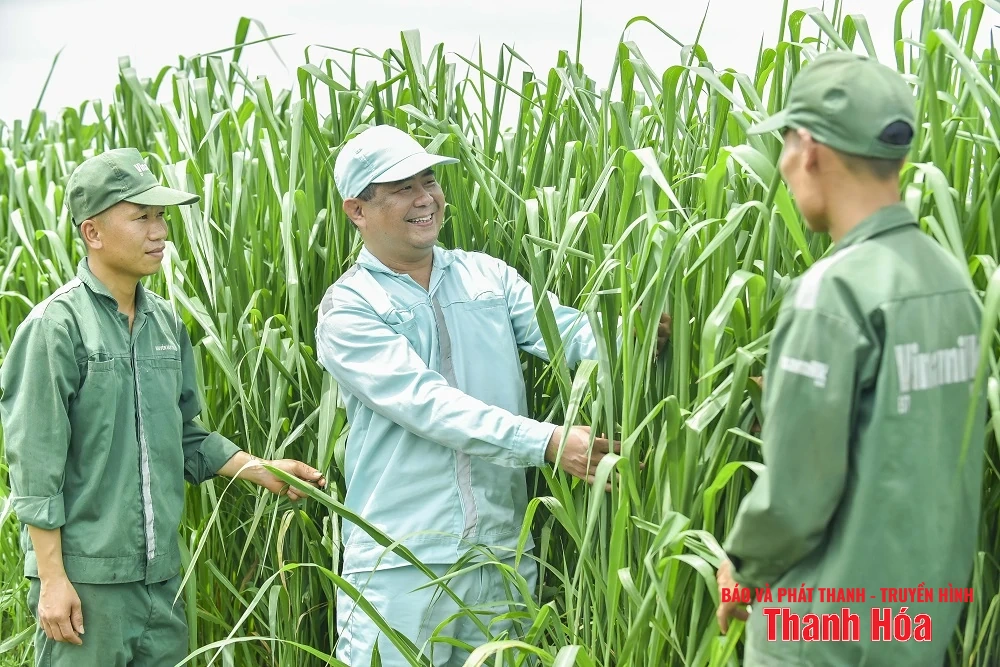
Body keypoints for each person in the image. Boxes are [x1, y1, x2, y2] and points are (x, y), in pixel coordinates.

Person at [315, 124, 669, 666]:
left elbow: (567, 335)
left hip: (502, 553)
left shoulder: (487, 277)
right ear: (357, 210)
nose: (424, 198)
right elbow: (427, 403)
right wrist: (548, 442)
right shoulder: (349, 308)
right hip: (403, 565)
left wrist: (640, 336)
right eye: (401, 187)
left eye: (428, 180)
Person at [0, 148, 328, 667]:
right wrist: (54, 579)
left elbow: (185, 438)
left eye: (161, 217)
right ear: (93, 233)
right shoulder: (56, 327)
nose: (160, 233)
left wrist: (260, 469)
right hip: (88, 585)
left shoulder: (166, 326)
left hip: (163, 581)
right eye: (141, 218)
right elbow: (35, 468)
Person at [715, 51, 986, 666]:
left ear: (808, 148)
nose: (783, 165)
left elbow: (795, 494)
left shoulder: (833, 295)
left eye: (784, 144)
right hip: (916, 625)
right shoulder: (951, 282)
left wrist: (742, 567)